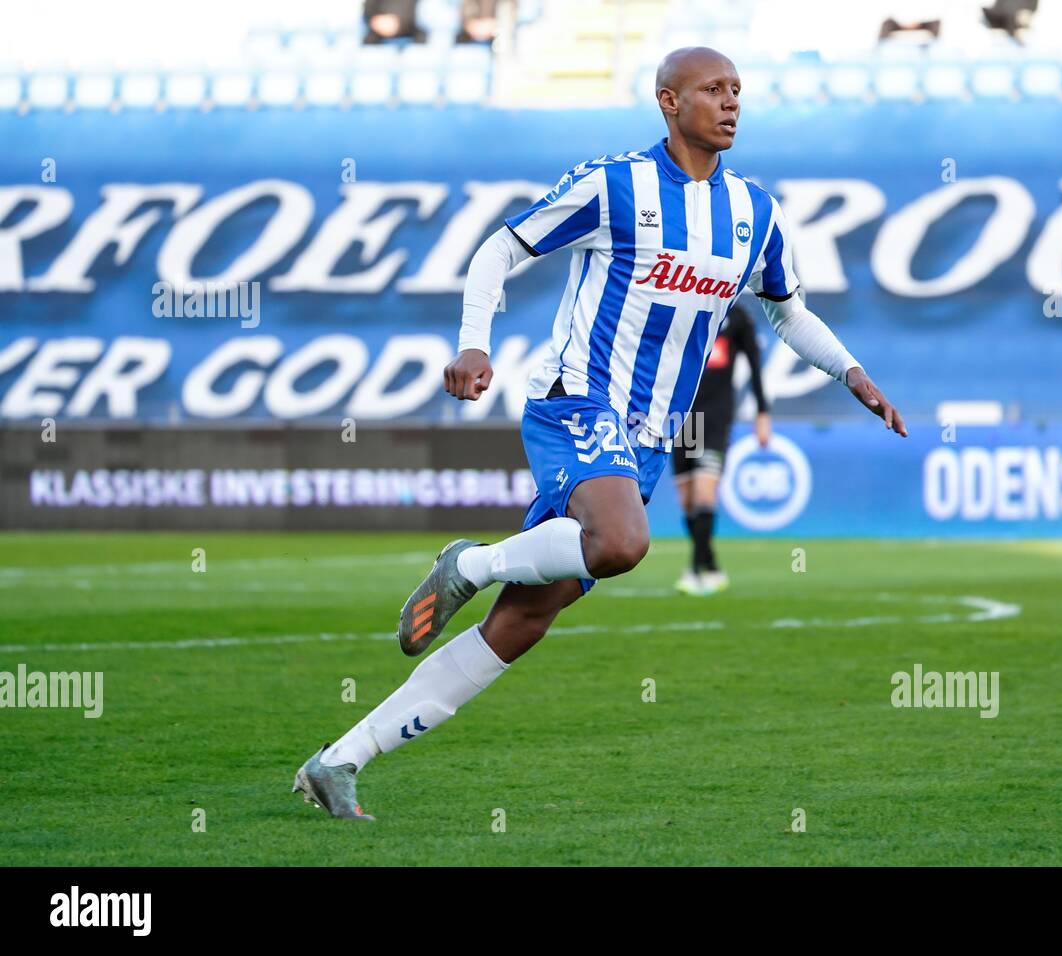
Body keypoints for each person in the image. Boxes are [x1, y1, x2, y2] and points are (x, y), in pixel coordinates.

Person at [293, 46, 907, 819]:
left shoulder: (754, 211)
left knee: (522, 623)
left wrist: (850, 372)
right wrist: (474, 341)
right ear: (667, 101)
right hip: (577, 402)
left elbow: (787, 309)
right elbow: (500, 248)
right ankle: (471, 562)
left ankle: (340, 761)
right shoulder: (614, 184)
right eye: (713, 90)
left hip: (647, 438)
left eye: (738, 91)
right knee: (622, 544)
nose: (731, 102)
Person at [673, 299, 770, 596]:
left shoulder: (738, 317)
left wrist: (762, 413)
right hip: (682, 416)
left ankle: (693, 570)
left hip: (715, 417)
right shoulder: (680, 306)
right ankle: (711, 563)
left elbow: (754, 365)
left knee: (704, 492)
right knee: (688, 500)